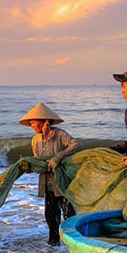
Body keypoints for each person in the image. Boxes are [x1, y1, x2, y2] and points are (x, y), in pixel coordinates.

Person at [19, 102, 81, 245]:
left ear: (45, 122)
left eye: (34, 123)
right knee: (50, 216)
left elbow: (77, 145)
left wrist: (58, 157)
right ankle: (53, 247)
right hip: (47, 184)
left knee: (68, 215)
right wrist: (29, 167)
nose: (33, 126)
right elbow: (38, 161)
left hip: (62, 183)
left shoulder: (60, 135)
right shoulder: (35, 140)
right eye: (31, 124)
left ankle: (74, 245)